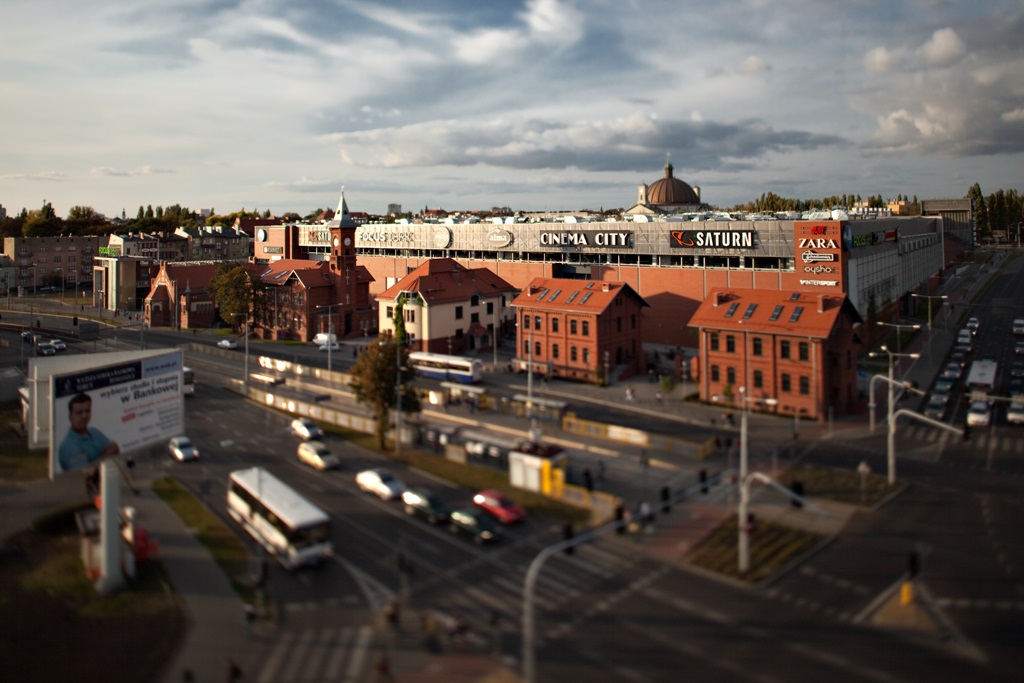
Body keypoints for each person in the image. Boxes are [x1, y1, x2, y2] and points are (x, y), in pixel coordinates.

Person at [57, 393, 119, 472]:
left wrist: (95, 461)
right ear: (70, 417)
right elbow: (86, 472)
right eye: (79, 413)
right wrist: (107, 455)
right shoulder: (68, 446)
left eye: (87, 411)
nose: (84, 416)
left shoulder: (94, 432)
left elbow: (115, 448)